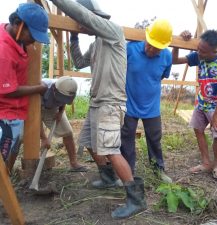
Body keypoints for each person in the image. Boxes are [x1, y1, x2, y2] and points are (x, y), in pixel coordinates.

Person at [49, 0, 147, 219]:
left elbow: (84, 17)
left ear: (91, 16)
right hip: (97, 102)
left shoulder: (112, 32)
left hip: (110, 103)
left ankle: (136, 198)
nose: (79, 24)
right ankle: (108, 178)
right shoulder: (95, 44)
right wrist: (73, 38)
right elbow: (79, 62)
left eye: (80, 21)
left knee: (111, 150)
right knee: (90, 143)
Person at [172, 30, 217, 180]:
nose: (199, 53)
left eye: (203, 51)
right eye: (198, 48)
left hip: (216, 105)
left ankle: (216, 165)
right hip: (201, 102)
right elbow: (175, 60)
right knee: (198, 130)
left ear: (214, 50)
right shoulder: (199, 56)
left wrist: (216, 116)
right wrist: (178, 43)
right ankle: (205, 162)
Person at [120, 19, 173, 184]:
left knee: (155, 138)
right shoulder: (130, 49)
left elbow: (163, 76)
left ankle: (158, 170)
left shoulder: (167, 56)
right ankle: (128, 172)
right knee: (126, 139)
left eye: (157, 48)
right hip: (129, 103)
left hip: (152, 106)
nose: (151, 49)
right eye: (150, 44)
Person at [0, 3, 49, 174]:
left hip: (16, 111)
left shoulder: (16, 38)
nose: (34, 40)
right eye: (32, 34)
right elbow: (9, 91)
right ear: (17, 24)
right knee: (2, 156)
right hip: (5, 114)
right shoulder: (4, 51)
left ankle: (5, 186)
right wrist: (38, 88)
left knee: (10, 152)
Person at [40, 76, 87, 172]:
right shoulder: (42, 88)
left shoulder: (67, 88)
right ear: (54, 89)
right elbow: (35, 116)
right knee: (21, 137)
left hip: (53, 109)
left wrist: (60, 113)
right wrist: (44, 138)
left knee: (67, 132)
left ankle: (74, 163)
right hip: (35, 108)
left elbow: (64, 101)